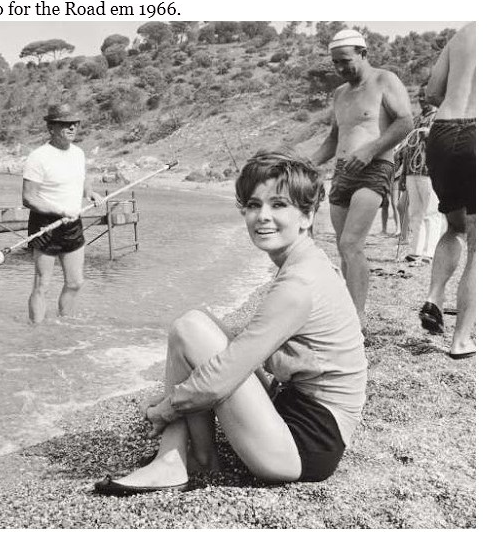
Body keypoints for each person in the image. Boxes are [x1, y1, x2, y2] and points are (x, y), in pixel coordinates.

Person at [94, 151, 367, 496]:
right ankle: (188, 458)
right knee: (194, 327)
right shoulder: (308, 262)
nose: (262, 216)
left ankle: (175, 460)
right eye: (253, 205)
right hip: (298, 417)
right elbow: (245, 353)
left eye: (278, 205)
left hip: (303, 447)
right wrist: (176, 394)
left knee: (192, 331)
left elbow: (221, 378)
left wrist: (165, 409)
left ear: (307, 215)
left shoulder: (298, 285)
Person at [311, 29, 413, 329]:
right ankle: (348, 312)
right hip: (343, 172)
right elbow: (334, 138)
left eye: (345, 60)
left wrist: (370, 150)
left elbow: (405, 121)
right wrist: (307, 163)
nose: (340, 68)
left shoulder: (384, 80)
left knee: (351, 243)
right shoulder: (340, 93)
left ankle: (357, 320)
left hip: (375, 167)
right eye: (335, 62)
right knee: (343, 246)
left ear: (363, 53)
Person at [419, 22, 475, 359]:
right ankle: (461, 340)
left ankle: (435, 296)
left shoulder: (464, 33)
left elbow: (432, 92)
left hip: (442, 131)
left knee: (454, 227)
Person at [22, 103, 103, 323]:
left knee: (75, 282)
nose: (72, 127)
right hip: (46, 224)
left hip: (73, 223)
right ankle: (36, 332)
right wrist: (59, 211)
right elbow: (28, 198)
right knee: (42, 285)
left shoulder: (78, 153)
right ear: (51, 128)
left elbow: (81, 178)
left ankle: (63, 324)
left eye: (75, 123)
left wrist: (90, 192)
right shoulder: (38, 157)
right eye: (66, 124)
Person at [397, 84, 441, 266]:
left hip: (430, 173)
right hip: (412, 172)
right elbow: (407, 149)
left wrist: (431, 135)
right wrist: (403, 175)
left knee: (431, 213)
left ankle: (429, 252)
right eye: (419, 95)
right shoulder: (416, 120)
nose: (422, 99)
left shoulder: (440, 118)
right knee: (415, 213)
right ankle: (415, 251)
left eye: (425, 95)